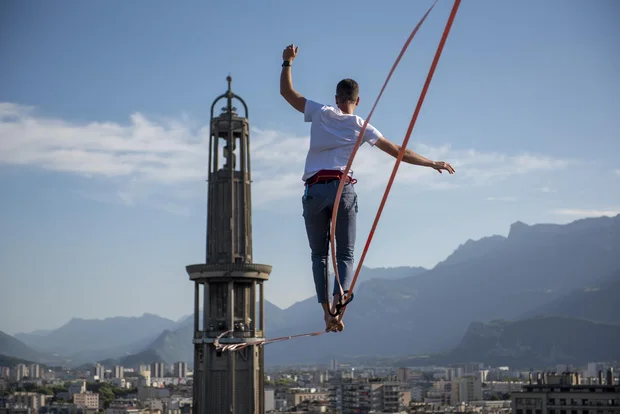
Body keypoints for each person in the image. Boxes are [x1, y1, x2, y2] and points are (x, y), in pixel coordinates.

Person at [279, 44, 455, 333]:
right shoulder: (361, 126)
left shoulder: (320, 112)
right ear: (357, 100)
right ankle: (338, 308)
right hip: (341, 190)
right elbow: (398, 151)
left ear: (336, 99)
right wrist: (431, 162)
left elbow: (288, 93)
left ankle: (326, 313)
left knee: (318, 255)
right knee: (345, 255)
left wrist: (287, 62)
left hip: (314, 190)